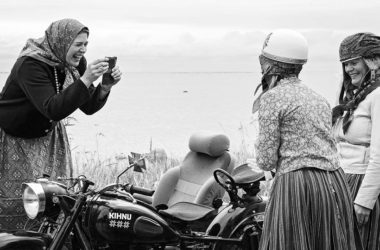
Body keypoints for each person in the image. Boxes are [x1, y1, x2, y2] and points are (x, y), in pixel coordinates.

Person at [0, 18, 122, 230]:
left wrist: (105, 87)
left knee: (55, 200)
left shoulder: (73, 65)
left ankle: (54, 242)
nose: (83, 50)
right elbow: (52, 108)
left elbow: (88, 107)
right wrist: (85, 80)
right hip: (15, 141)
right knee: (23, 201)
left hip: (50, 142)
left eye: (86, 44)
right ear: (62, 42)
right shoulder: (30, 65)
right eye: (78, 44)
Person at [253, 29, 361, 250]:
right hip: (333, 182)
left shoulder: (272, 98)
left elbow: (265, 160)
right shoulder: (318, 98)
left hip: (296, 184)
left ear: (270, 64)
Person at [332, 32, 380, 250]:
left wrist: (365, 200)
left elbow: (379, 154)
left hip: (363, 184)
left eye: (353, 63)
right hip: (343, 180)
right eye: (345, 64)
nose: (349, 69)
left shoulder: (377, 95)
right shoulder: (353, 95)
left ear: (372, 61)